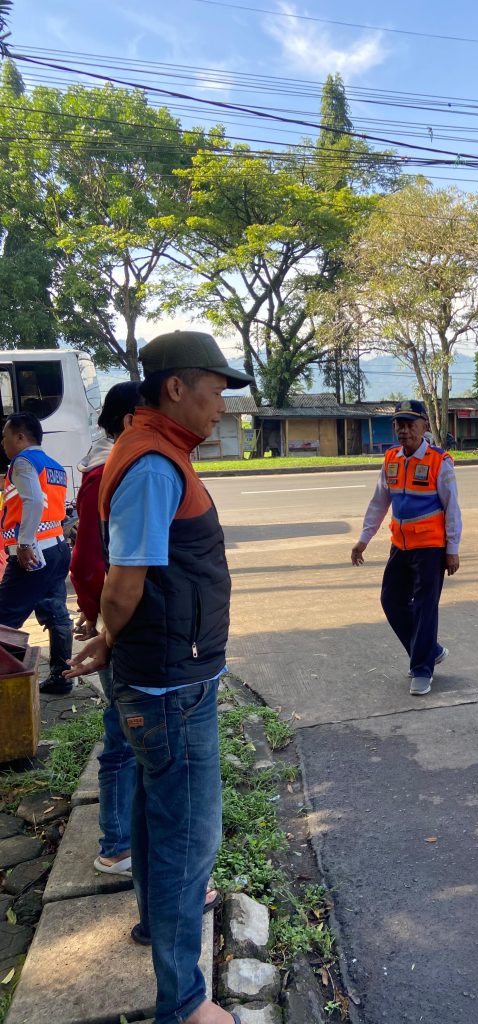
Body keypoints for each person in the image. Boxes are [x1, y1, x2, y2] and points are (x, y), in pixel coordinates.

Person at [67, 330, 251, 1024]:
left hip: (167, 676)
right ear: (176, 387)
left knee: (154, 814)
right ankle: (183, 1002)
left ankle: (154, 924)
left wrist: (115, 642)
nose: (221, 407)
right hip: (171, 686)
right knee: (186, 840)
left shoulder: (156, 451)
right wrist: (111, 635)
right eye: (215, 390)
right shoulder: (151, 463)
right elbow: (125, 578)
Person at [70, 383, 142, 877]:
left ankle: (124, 837)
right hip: (120, 630)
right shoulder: (108, 471)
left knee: (128, 736)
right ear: (132, 419)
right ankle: (116, 846)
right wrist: (103, 621)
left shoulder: (113, 461)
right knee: (122, 740)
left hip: (118, 624)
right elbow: (92, 562)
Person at [351, 399, 462, 696]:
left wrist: (452, 548)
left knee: (426, 608)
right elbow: (379, 503)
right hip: (400, 545)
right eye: (399, 424)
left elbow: (452, 508)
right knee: (391, 600)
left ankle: (422, 669)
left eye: (410, 424)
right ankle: (431, 649)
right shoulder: (391, 459)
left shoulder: (440, 461)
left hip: (430, 548)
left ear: (424, 425)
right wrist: (364, 539)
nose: (404, 430)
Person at [0, 412, 72, 694]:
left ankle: (9, 685)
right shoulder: (54, 466)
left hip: (32, 554)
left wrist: (26, 542)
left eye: (5, 438)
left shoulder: (23, 462)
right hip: (56, 550)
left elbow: (31, 501)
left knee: (4, 620)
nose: (3, 444)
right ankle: (62, 676)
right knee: (56, 614)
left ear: (20, 437)